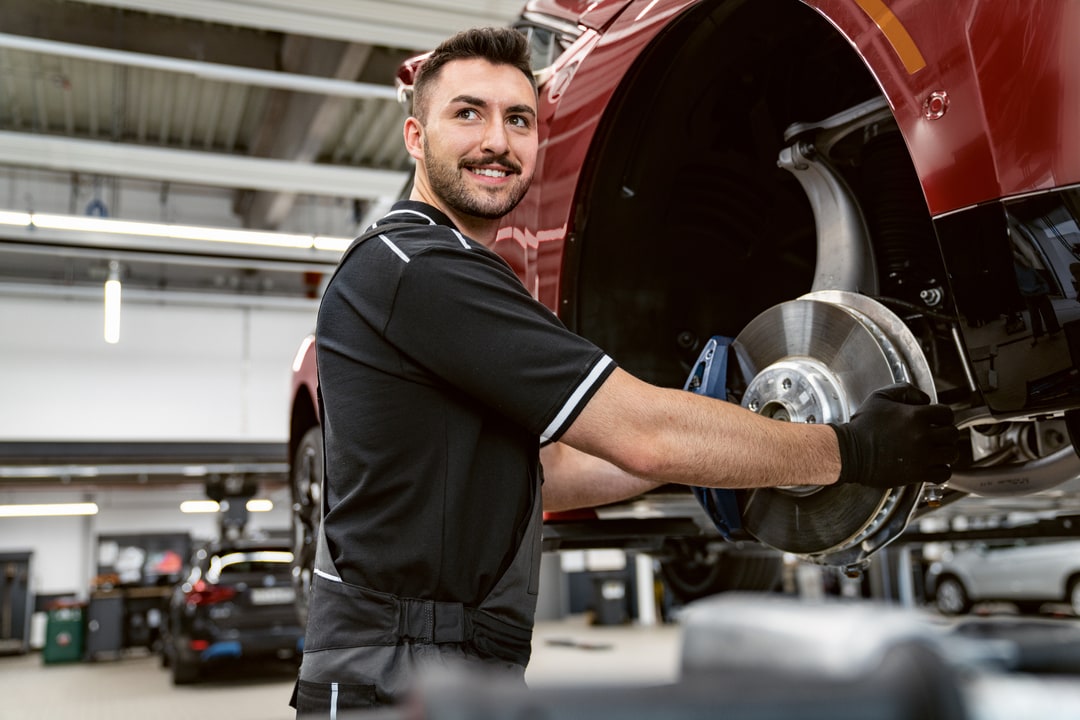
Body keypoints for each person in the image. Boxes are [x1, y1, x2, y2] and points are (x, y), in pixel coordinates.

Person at [292, 26, 958, 716]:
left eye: (518, 119)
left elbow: (552, 471)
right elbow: (644, 436)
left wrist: (734, 437)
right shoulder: (417, 267)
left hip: (452, 664)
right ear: (414, 135)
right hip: (389, 676)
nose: (497, 141)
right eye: (468, 113)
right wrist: (853, 451)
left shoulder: (439, 272)